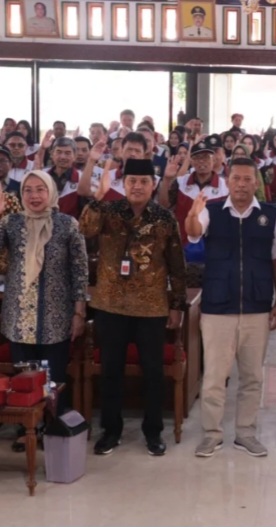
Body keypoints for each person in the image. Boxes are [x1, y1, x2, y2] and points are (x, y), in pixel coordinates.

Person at [79, 158, 187, 457]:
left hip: (151, 308)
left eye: (143, 181)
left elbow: (177, 266)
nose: (137, 186)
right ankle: (110, 431)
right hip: (110, 305)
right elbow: (85, 229)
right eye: (131, 181)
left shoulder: (165, 219)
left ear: (153, 185)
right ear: (123, 184)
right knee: (111, 372)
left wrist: (176, 305)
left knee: (153, 373)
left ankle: (153, 432)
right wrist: (98, 197)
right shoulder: (108, 211)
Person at [186, 158, 276, 458]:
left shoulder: (270, 215)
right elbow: (193, 232)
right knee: (215, 376)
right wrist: (192, 214)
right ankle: (211, 434)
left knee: (252, 376)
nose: (242, 184)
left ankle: (246, 433)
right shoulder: (212, 210)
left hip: (257, 306)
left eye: (247, 179)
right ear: (227, 182)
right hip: (218, 307)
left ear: (256, 183)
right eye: (236, 179)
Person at [0, 171, 87, 418]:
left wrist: (79, 313)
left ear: (50, 192)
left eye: (40, 189)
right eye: (28, 190)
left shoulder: (67, 224)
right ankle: (26, 428)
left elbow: (80, 271)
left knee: (53, 377)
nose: (34, 195)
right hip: (19, 318)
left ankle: (52, 425)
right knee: (23, 378)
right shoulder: (10, 223)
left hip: (55, 318)